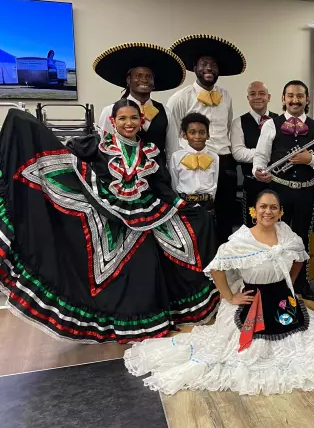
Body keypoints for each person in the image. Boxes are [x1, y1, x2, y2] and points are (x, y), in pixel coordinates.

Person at [0, 101, 219, 343]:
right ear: (113, 122)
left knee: (164, 255)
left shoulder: (150, 151)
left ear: (141, 121)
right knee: (130, 267)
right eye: (123, 118)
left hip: (148, 215)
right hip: (109, 215)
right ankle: (127, 321)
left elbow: (161, 187)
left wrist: (183, 206)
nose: (128, 123)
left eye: (133, 118)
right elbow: (68, 157)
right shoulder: (98, 145)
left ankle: (155, 319)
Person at [124, 189, 314, 395]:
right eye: (263, 207)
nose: (268, 212)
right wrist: (229, 297)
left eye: (274, 207)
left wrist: (290, 285)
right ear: (254, 210)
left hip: (282, 299)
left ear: (280, 212)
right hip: (253, 301)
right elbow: (217, 267)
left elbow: (299, 257)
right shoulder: (242, 240)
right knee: (247, 354)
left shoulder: (286, 235)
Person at [252, 80, 314, 301]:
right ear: (283, 98)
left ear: (307, 99)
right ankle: (277, 280)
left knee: (302, 238)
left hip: (306, 191)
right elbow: (260, 156)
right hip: (279, 190)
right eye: (290, 96)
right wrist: (258, 170)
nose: (295, 100)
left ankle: (301, 281)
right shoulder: (271, 125)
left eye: (299, 96)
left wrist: (310, 159)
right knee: (277, 236)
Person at [167, 34, 245, 245]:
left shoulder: (226, 96)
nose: (209, 68)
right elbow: (173, 132)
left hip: (224, 159)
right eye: (204, 64)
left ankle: (224, 260)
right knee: (196, 215)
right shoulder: (180, 98)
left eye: (213, 65)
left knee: (226, 212)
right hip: (193, 163)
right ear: (195, 67)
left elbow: (227, 126)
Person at [94, 42, 184, 165]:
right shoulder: (110, 111)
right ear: (128, 80)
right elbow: (104, 151)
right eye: (138, 75)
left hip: (159, 179)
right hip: (124, 180)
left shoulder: (165, 112)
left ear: (154, 82)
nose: (144, 80)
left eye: (149, 76)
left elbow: (173, 152)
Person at [231, 81, 280, 227]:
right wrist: (265, 155)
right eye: (253, 94)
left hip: (277, 182)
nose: (257, 97)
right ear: (248, 98)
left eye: (261, 93)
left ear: (269, 97)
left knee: (277, 224)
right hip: (251, 183)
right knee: (252, 225)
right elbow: (238, 153)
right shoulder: (238, 122)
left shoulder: (280, 121)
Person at [170, 113, 219, 212]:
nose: (197, 136)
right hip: (185, 203)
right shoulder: (176, 157)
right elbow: (174, 182)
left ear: (208, 135)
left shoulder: (214, 157)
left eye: (202, 132)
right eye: (192, 132)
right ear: (185, 135)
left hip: (207, 204)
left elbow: (215, 181)